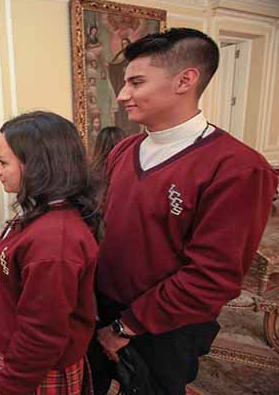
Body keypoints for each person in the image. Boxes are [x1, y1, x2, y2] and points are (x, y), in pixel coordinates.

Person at [90, 28, 277, 395]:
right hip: (103, 308)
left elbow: (211, 278)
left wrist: (125, 328)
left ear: (185, 80)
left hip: (163, 328)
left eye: (136, 82)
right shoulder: (124, 151)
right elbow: (100, 224)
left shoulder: (237, 167)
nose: (123, 95)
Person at [0, 111, 99, 395]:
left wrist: (8, 386)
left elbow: (42, 334)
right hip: (14, 343)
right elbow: (27, 270)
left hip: (34, 368)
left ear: (37, 167)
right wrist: (2, 281)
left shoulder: (54, 242)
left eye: (3, 162)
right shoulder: (41, 211)